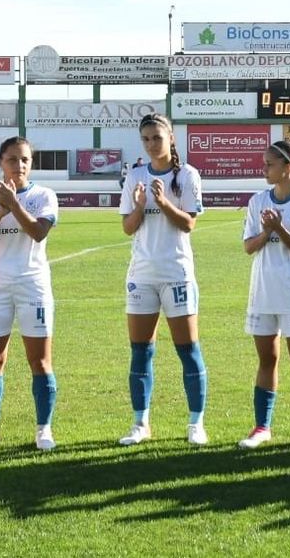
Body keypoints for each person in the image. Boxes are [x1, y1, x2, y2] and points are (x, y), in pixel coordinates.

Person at [117, 113, 210, 447]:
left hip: (176, 273)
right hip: (142, 275)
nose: (151, 144)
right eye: (145, 139)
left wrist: (163, 202)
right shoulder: (135, 176)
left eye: (157, 137)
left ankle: (195, 423)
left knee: (188, 350)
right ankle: (140, 423)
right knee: (141, 352)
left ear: (171, 137)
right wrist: (141, 206)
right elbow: (128, 227)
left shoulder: (186, 175)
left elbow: (188, 224)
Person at [0, 136, 60, 451]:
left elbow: (37, 232)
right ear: (0, 162)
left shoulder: (44, 195)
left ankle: (43, 429)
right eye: (11, 159)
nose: (18, 165)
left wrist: (15, 204)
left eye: (24, 160)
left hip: (33, 284)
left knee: (41, 362)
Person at [237, 140, 290, 451]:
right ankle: (262, 427)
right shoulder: (257, 201)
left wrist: (279, 229)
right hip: (262, 291)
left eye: (270, 164)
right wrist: (267, 232)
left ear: (289, 168)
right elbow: (248, 247)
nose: (264, 169)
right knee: (266, 360)